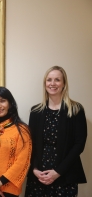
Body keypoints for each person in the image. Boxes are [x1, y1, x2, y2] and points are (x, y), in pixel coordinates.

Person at [25, 66, 87, 196]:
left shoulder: (76, 110)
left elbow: (79, 145)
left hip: (64, 176)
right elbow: (32, 144)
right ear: (45, 84)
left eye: (57, 80)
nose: (52, 83)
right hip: (39, 176)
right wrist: (34, 169)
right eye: (49, 80)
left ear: (64, 84)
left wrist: (57, 172)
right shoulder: (36, 111)